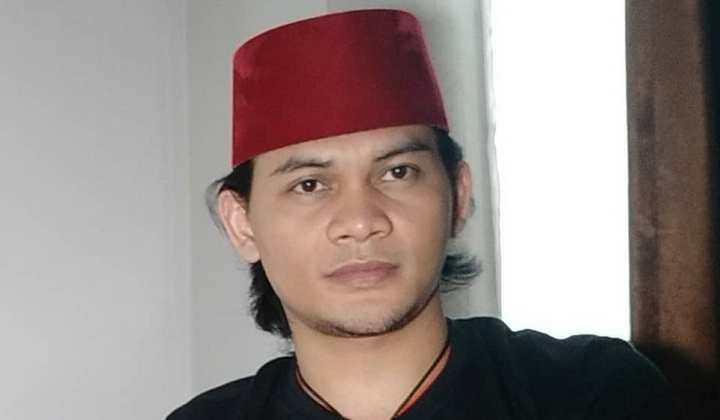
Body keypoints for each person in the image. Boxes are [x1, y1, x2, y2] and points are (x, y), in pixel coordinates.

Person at [167, 9, 681, 420]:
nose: (361, 221)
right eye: (310, 185)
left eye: (398, 172)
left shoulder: (591, 392)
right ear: (242, 224)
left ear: (458, 194)